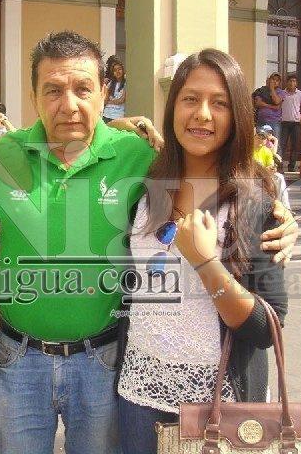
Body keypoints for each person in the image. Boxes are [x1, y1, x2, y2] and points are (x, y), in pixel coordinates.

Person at [0, 32, 297, 454]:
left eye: (83, 89)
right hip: (96, 380)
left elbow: (267, 323)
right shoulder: (4, 156)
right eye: (53, 90)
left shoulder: (149, 162)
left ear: (104, 92)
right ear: (34, 95)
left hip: (151, 377)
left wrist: (268, 221)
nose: (69, 104)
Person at [116, 48, 287, 454]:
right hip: (138, 396)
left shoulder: (253, 204)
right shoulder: (145, 191)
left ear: (237, 116)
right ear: (173, 107)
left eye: (219, 103)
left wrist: (206, 262)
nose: (203, 114)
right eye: (190, 99)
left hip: (221, 404)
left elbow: (268, 328)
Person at [279, 74, 301, 171]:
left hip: (296, 123)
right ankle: (279, 165)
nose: (292, 83)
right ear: (287, 82)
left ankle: (292, 166)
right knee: (282, 144)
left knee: (295, 145)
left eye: (294, 81)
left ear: (296, 83)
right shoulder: (282, 93)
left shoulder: (300, 94)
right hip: (284, 122)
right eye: (290, 81)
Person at [252, 72, 284, 142]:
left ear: (279, 83)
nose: (275, 81)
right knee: (260, 142)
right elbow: (258, 103)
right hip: (261, 121)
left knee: (275, 143)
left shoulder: (280, 92)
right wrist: (272, 106)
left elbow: (277, 102)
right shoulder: (261, 90)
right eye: (273, 79)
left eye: (277, 80)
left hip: (274, 122)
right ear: (269, 80)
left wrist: (272, 89)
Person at [102, 57, 126, 123]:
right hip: (106, 114)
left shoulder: (126, 83)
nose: (117, 72)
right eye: (115, 70)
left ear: (123, 70)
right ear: (113, 73)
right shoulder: (110, 83)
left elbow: (121, 100)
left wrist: (109, 102)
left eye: (119, 69)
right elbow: (105, 100)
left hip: (118, 115)